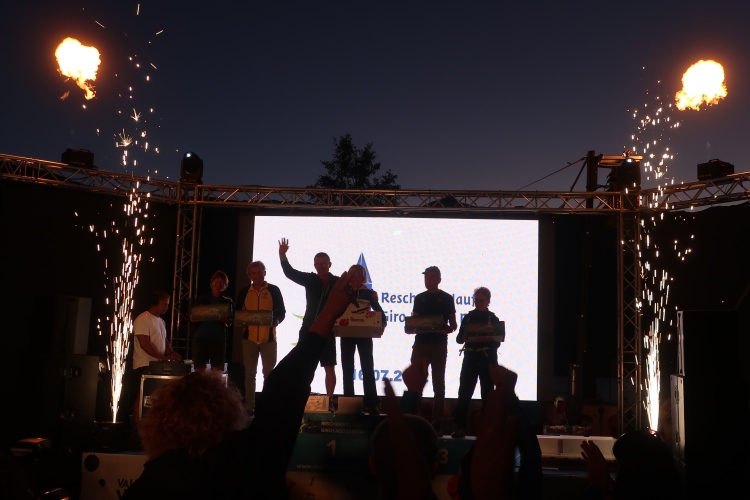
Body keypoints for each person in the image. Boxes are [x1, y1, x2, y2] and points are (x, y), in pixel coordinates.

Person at [122, 268, 360, 499]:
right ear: (226, 410)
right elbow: (285, 386)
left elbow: (283, 383)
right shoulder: (250, 458)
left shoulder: (150, 484)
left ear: (160, 423)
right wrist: (329, 312)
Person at [278, 238, 339, 411]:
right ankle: (299, 399)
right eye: (317, 264)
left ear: (330, 264)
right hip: (308, 328)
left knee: (329, 366)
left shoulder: (337, 282)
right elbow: (289, 272)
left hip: (328, 329)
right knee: (303, 366)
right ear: (314, 265)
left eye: (323, 263)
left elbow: (353, 293)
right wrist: (282, 255)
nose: (320, 266)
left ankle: (330, 401)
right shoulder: (310, 279)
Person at [451, 286, 503, 439]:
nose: (478, 303)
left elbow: (498, 341)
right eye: (476, 300)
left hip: (487, 358)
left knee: (488, 394)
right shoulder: (468, 317)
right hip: (470, 357)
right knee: (464, 392)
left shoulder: (493, 319)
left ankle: (487, 430)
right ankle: (460, 427)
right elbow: (459, 339)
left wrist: (487, 339)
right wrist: (464, 338)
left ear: (488, 301)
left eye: (481, 300)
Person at [410, 265, 457, 433]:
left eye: (431, 277)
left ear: (438, 280)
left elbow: (454, 325)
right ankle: (414, 420)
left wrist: (447, 329)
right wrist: (410, 327)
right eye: (426, 277)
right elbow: (414, 321)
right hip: (420, 344)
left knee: (438, 384)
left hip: (438, 345)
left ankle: (437, 423)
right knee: (416, 382)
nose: (427, 280)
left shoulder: (446, 298)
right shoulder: (419, 298)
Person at [235, 261, 286, 416]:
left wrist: (276, 320)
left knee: (269, 374)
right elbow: (237, 313)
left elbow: (282, 312)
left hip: (268, 339)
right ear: (249, 275)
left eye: (259, 272)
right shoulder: (244, 291)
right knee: (250, 373)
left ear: (265, 272)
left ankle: (267, 407)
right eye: (254, 273)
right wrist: (240, 322)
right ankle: (249, 407)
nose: (257, 275)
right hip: (249, 339)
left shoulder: (274, 290)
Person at [340, 264, 386, 414]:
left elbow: (380, 313)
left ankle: (371, 404)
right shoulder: (343, 291)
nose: (356, 278)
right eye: (353, 275)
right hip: (346, 333)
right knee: (347, 369)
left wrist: (381, 325)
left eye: (359, 275)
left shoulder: (369, 293)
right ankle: (349, 404)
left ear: (363, 277)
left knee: (367, 368)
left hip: (364, 334)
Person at [130, 291, 181, 419]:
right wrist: (163, 358)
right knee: (142, 397)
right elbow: (144, 344)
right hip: (144, 364)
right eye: (165, 304)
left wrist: (171, 353)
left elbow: (164, 340)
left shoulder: (161, 321)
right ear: (155, 303)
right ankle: (138, 427)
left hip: (157, 365)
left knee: (155, 398)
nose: (167, 307)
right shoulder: (143, 319)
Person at [191, 271, 232, 372]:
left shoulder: (228, 301)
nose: (219, 284)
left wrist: (226, 320)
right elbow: (192, 316)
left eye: (222, 282)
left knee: (217, 370)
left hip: (218, 338)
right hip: (201, 337)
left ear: (226, 285)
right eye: (217, 281)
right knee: (199, 368)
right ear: (211, 283)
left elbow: (230, 320)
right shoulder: (202, 298)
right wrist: (193, 317)